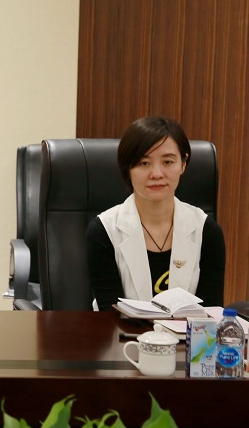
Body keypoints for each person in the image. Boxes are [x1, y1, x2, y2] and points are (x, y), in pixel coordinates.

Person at [87, 117, 225, 310]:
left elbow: (210, 313)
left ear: (183, 164)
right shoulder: (104, 230)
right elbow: (109, 312)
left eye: (168, 162)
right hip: (121, 330)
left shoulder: (206, 231)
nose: (157, 174)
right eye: (144, 163)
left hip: (188, 331)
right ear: (128, 168)